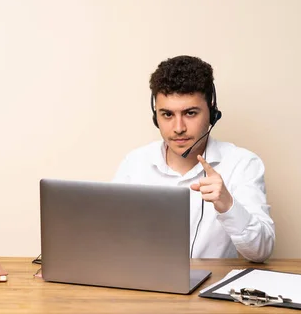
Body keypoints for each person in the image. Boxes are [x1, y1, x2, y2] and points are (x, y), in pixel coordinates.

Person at [112, 55, 275, 263]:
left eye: (190, 113)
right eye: (167, 115)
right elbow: (109, 236)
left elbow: (261, 251)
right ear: (156, 117)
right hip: (147, 286)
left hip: (211, 288)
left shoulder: (242, 164)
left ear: (212, 112)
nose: (178, 128)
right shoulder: (135, 163)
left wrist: (227, 204)